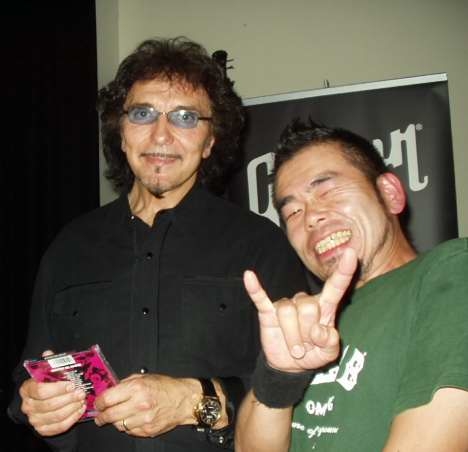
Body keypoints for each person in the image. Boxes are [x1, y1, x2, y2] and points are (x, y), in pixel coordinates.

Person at [7, 37, 309, 452]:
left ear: (210, 141)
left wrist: (196, 401)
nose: (161, 135)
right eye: (142, 113)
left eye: (186, 117)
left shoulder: (263, 246)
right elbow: (27, 377)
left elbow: (298, 395)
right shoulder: (69, 247)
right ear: (121, 133)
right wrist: (35, 403)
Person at [235, 118, 468, 451]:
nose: (310, 217)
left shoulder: (453, 269)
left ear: (389, 194)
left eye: (326, 190)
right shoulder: (309, 320)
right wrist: (279, 374)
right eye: (293, 212)